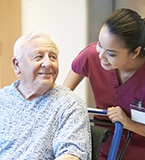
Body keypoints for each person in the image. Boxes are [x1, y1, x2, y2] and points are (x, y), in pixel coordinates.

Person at [63, 8, 145, 160]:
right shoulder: (91, 56)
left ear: (135, 52)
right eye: (100, 44)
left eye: (111, 53)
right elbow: (63, 96)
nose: (101, 56)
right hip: (104, 151)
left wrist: (130, 124)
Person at [0, 30, 91, 160]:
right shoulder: (3, 98)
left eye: (53, 57)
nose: (48, 63)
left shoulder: (69, 104)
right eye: (38, 57)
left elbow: (71, 156)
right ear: (17, 65)